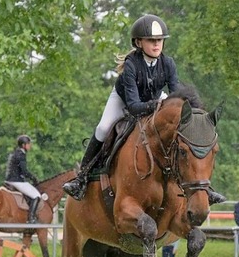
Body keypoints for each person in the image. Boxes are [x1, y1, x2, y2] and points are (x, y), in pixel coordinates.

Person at [62, 14, 225, 205]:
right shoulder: (131, 65)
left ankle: (204, 187)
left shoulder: (168, 63)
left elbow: (177, 95)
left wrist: (192, 114)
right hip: (125, 100)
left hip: (155, 100)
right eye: (151, 40)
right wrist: (157, 105)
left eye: (160, 40)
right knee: (103, 128)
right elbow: (133, 106)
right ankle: (82, 178)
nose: (157, 44)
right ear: (139, 42)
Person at [5, 135, 41, 224]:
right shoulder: (21, 155)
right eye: (29, 144)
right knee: (36, 196)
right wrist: (34, 178)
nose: (30, 146)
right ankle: (31, 218)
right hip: (16, 180)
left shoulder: (15, 153)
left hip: (11, 179)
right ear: (23, 145)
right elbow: (24, 171)